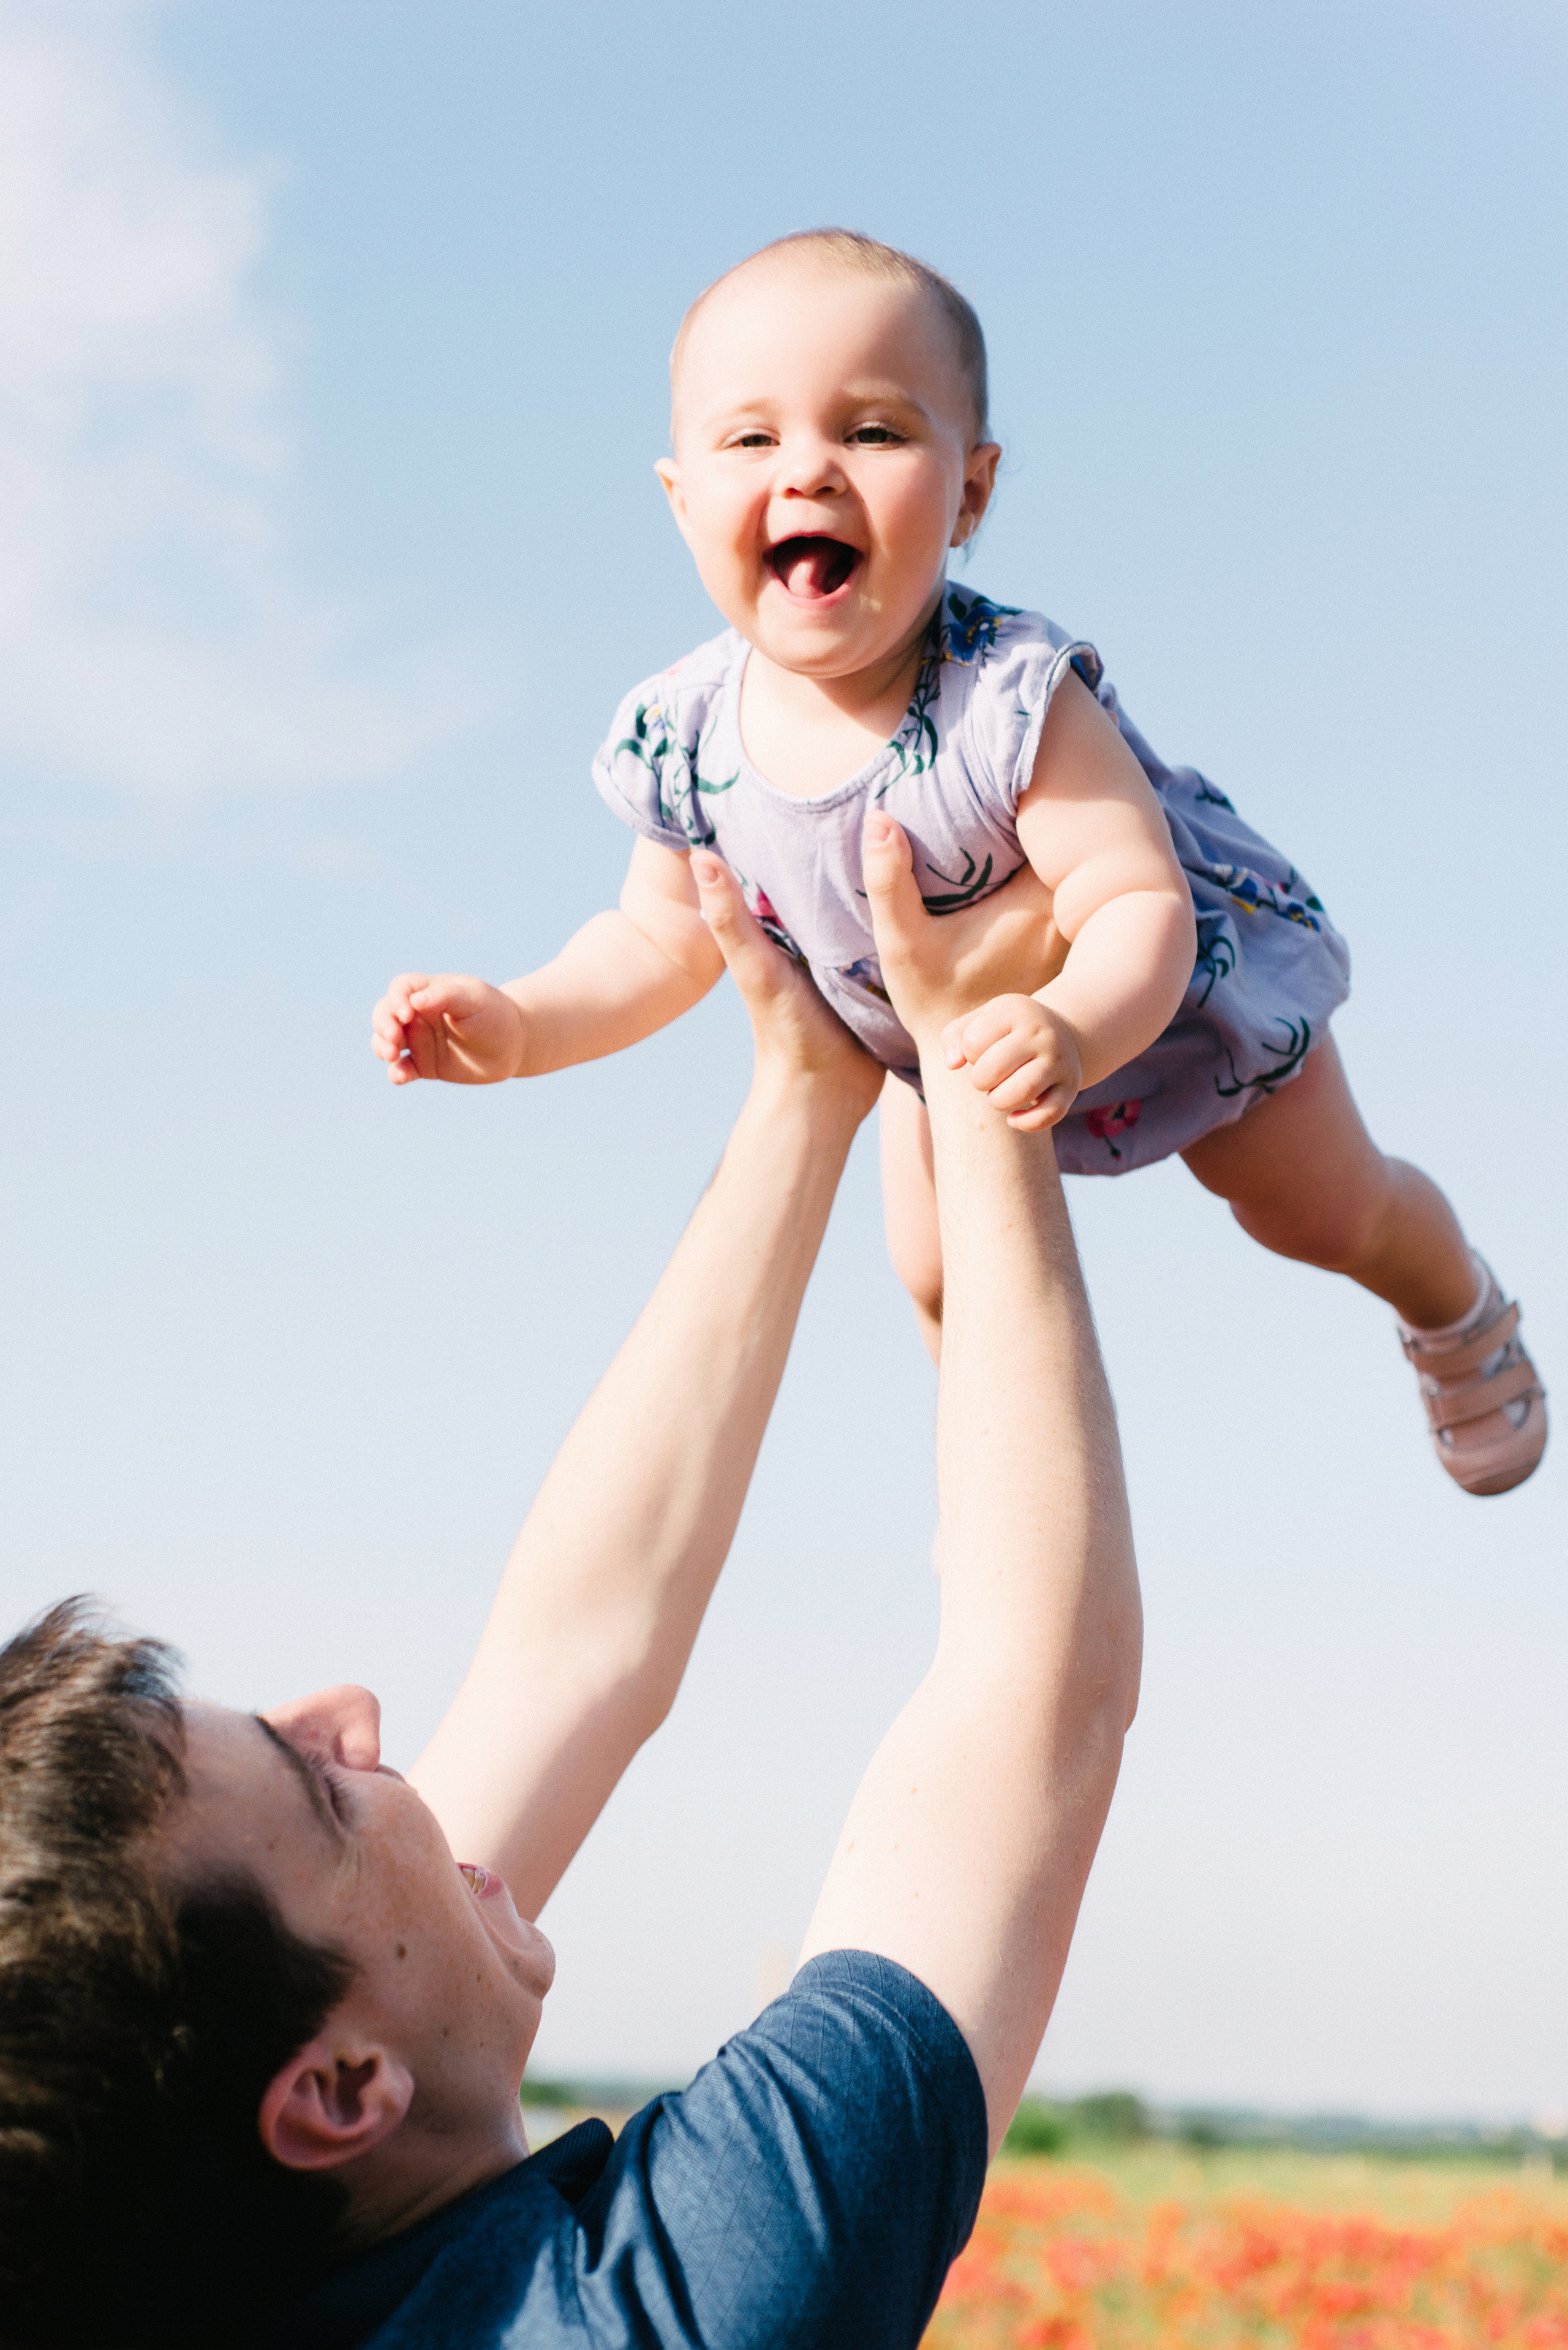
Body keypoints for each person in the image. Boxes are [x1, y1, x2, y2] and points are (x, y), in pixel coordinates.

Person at [0, 834, 1140, 2350]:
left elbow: (579, 1651)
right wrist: (980, 1070)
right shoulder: (681, 2308)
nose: (352, 1714)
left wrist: (802, 1091)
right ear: (339, 2091)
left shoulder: (169, 2221)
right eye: (320, 1786)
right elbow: (1036, 1687)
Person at [370, 228, 1545, 1498]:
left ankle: (1454, 1306)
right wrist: (521, 1023)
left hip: (1170, 1007)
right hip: (946, 1051)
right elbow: (654, 941)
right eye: (751, 439)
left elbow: (1130, 897)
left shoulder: (1008, 694)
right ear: (679, 499)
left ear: (970, 492)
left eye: (873, 431)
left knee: (1322, 1212)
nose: (808, 470)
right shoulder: (682, 731)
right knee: (932, 1269)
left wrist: (1073, 1024)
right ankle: (992, 1489)